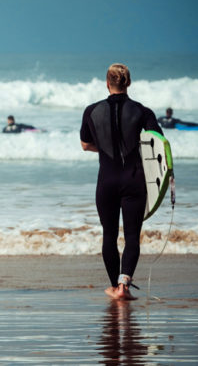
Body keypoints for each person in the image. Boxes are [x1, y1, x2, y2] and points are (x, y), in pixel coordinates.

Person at [80, 63, 162, 300]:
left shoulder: (91, 111)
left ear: (107, 84)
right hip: (134, 180)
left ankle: (114, 288)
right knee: (133, 235)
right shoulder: (143, 111)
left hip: (106, 181)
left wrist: (108, 152)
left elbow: (85, 145)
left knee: (109, 234)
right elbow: (157, 143)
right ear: (129, 83)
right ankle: (124, 284)